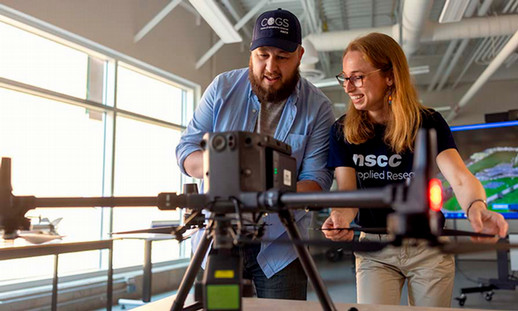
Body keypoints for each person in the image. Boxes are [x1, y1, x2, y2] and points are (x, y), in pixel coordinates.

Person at [321, 32, 509, 307]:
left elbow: (459, 176)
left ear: (390, 76)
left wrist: (476, 207)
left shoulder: (428, 122)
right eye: (345, 77)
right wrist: (340, 217)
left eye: (358, 77)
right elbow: (348, 195)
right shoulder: (342, 131)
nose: (348, 87)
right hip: (375, 247)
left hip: (428, 246)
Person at [176, 8, 334, 300]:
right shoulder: (222, 89)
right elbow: (186, 151)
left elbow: (317, 179)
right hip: (218, 239)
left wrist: (266, 195)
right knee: (220, 308)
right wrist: (225, 165)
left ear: (299, 55)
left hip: (281, 245)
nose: (271, 67)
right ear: (251, 52)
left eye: (282, 57)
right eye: (263, 55)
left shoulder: (319, 108)